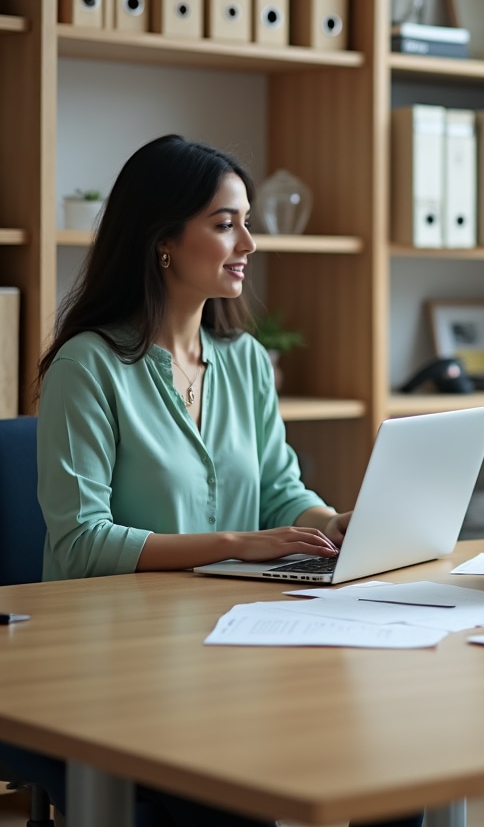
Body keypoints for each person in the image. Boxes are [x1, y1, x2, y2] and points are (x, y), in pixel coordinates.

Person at [0, 135, 422, 827]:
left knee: (392, 761)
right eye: (226, 223)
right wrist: (235, 544)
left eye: (247, 221)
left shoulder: (246, 360)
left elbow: (282, 491)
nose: (249, 243)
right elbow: (79, 543)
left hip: (234, 644)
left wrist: (334, 523)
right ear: (162, 241)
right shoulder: (88, 366)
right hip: (115, 663)